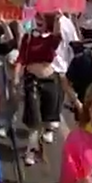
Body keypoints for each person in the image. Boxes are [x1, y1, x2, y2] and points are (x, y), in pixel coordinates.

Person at [15, 12, 61, 166]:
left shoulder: (51, 39)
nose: (39, 21)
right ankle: (31, 151)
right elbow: (21, 58)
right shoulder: (28, 38)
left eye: (43, 19)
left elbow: (57, 38)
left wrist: (58, 19)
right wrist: (16, 77)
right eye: (37, 18)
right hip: (32, 82)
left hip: (49, 82)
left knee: (48, 117)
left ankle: (45, 134)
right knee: (34, 120)